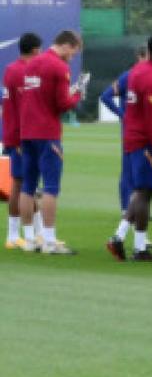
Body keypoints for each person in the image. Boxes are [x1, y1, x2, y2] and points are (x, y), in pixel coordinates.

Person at [18, 30, 86, 254]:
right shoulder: (58, 67)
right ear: (67, 45)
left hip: (27, 133)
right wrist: (77, 95)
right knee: (50, 188)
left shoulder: (31, 64)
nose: (72, 57)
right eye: (73, 52)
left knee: (27, 187)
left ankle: (29, 239)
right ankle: (49, 240)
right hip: (47, 134)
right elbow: (62, 105)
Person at [108, 34, 152, 262]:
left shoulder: (137, 71)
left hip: (132, 137)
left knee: (140, 191)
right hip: (145, 141)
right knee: (145, 192)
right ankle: (139, 248)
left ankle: (119, 236)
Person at [100, 46, 146, 239]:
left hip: (141, 131)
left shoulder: (145, 76)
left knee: (137, 172)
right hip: (133, 132)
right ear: (139, 57)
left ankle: (134, 208)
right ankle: (127, 209)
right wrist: (122, 115)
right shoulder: (130, 76)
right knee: (130, 171)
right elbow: (105, 96)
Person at [3, 33, 42, 249]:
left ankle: (37, 232)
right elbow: (24, 108)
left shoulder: (12, 69)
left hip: (16, 133)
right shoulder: (23, 72)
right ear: (35, 50)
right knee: (20, 184)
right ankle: (12, 235)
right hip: (21, 136)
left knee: (29, 184)